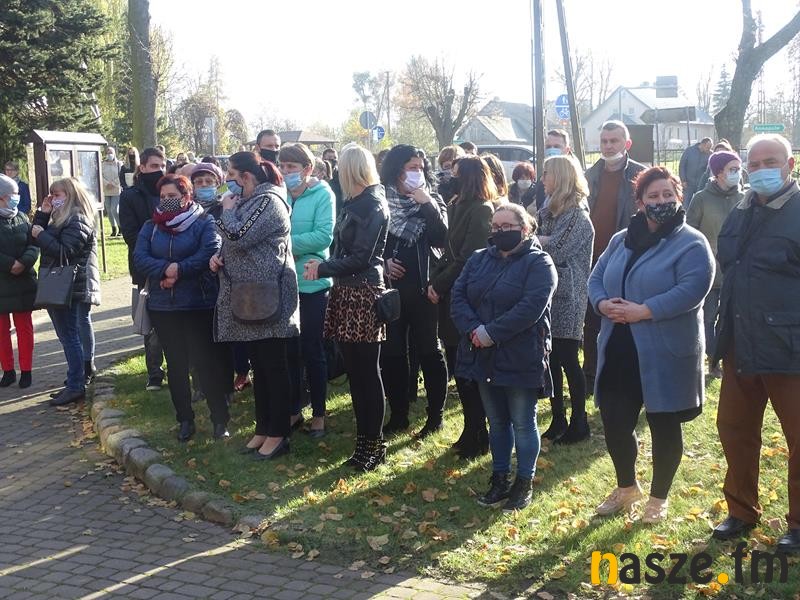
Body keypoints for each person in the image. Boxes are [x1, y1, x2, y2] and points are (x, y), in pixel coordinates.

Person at [588, 166, 713, 523]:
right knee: (614, 420)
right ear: (640, 202)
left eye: (668, 195)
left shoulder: (691, 242)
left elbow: (693, 288)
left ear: (679, 197)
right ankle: (627, 488)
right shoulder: (620, 239)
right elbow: (597, 278)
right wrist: (602, 303)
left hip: (665, 349)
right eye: (653, 196)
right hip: (620, 345)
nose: (661, 201)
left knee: (663, 423)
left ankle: (659, 498)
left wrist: (645, 310)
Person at [712, 134, 800, 553]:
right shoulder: (740, 211)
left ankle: (799, 524)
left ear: (789, 165)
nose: (762, 169)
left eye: (771, 161)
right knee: (734, 429)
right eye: (755, 163)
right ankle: (742, 510)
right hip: (740, 342)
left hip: (789, 348)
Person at [451, 203, 557, 511]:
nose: (499, 232)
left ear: (524, 229)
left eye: (506, 227)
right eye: (495, 227)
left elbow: (531, 307)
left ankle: (524, 483)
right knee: (497, 422)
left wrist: (491, 333)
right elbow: (458, 296)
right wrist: (474, 330)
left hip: (521, 354)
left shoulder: (540, 263)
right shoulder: (478, 259)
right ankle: (499, 478)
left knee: (523, 421)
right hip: (482, 352)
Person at [304, 145, 390, 471]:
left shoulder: (372, 203)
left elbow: (362, 257)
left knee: (367, 373)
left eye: (341, 167)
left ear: (350, 169)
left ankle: (374, 444)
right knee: (355, 373)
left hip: (363, 293)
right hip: (346, 291)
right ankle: (364, 443)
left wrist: (323, 268)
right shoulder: (355, 202)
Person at [209, 151, 299, 460]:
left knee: (273, 367)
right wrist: (218, 257)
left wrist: (225, 211)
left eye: (231, 176)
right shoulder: (247, 202)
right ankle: (263, 428)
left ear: (246, 177)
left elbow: (238, 234)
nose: (227, 182)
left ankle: (279, 434)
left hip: (269, 298)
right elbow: (231, 242)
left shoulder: (269, 201)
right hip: (248, 298)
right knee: (259, 367)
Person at [133, 174, 230, 441]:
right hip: (163, 307)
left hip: (198, 303)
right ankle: (185, 419)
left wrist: (179, 270)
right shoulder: (151, 226)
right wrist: (166, 269)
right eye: (163, 197)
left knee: (205, 362)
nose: (166, 201)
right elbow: (140, 258)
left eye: (172, 196)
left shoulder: (203, 221)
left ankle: (219, 419)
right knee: (176, 365)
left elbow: (209, 250)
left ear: (186, 197)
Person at [429, 155, 496, 459]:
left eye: (455, 174)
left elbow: (469, 256)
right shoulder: (456, 205)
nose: (449, 179)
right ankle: (471, 429)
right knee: (458, 364)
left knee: (469, 370)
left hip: (468, 296)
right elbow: (448, 251)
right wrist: (434, 282)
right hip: (450, 294)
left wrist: (440, 284)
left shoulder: (482, 209)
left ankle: (478, 432)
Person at [380, 145, 449, 438]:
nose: (417, 173)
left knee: (429, 351)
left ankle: (435, 416)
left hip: (424, 289)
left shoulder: (432, 198)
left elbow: (443, 237)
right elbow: (370, 243)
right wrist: (384, 262)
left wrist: (427, 204)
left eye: (421, 168)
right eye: (411, 167)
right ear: (397, 170)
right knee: (393, 353)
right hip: (392, 290)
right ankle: (399, 415)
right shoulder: (382, 199)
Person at [583, 120, 646, 391]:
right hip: (590, 258)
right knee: (591, 320)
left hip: (625, 256)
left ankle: (624, 376)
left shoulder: (640, 176)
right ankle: (590, 375)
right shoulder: (589, 175)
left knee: (622, 318)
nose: (608, 146)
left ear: (627, 143)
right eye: (604, 141)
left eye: (614, 141)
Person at [536, 156, 595, 444]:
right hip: (549, 293)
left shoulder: (576, 216)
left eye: (546, 173)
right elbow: (538, 241)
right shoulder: (548, 211)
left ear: (559, 177)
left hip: (570, 295)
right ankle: (558, 417)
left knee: (569, 358)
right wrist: (542, 240)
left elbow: (555, 249)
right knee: (552, 358)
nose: (542, 179)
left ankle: (579, 422)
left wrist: (542, 241)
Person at [279, 143, 335, 438]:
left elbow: (323, 235)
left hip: (313, 284)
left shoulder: (323, 194)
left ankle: (319, 414)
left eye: (292, 167)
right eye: (283, 166)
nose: (286, 171)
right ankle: (293, 409)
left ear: (307, 169)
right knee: (290, 352)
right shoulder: (281, 194)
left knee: (313, 350)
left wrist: (286, 245)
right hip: (285, 282)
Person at [32, 178, 102, 406]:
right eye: (51, 194)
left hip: (69, 286)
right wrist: (43, 215)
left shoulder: (78, 219)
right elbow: (33, 237)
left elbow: (65, 251)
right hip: (58, 285)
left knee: (70, 336)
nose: (53, 199)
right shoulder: (59, 218)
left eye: (57, 194)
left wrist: (41, 234)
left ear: (70, 195)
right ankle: (74, 379)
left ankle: (75, 385)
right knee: (66, 336)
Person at [685, 150, 742, 379]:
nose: (738, 173)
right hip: (709, 270)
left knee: (732, 317)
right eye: (732, 169)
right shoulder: (701, 198)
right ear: (718, 172)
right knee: (708, 317)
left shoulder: (745, 198)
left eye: (739, 169)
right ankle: (712, 359)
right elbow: (690, 231)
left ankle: (729, 358)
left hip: (736, 271)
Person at [120, 147, 167, 391]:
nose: (159, 170)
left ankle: (178, 366)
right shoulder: (130, 196)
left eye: (162, 166)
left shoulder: (170, 191)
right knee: (152, 321)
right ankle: (154, 372)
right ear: (142, 168)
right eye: (154, 166)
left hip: (174, 264)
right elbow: (130, 234)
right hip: (145, 267)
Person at [0, 175, 38, 388]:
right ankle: (7, 370)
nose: (17, 197)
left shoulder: (22, 217)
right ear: (2, 197)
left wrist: (23, 262)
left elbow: (34, 244)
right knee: (1, 331)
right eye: (13, 194)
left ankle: (26, 370)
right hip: (2, 282)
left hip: (23, 282)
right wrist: (9, 264)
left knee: (24, 328)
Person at [533, 129, 573, 210]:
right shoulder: (543, 179)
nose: (551, 150)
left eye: (557, 146)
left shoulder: (575, 179)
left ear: (567, 150)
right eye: (548, 147)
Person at [679, 137, 713, 205]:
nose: (709, 149)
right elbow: (682, 165)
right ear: (702, 144)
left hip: (701, 184)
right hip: (688, 183)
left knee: (699, 204)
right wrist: (683, 180)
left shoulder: (710, 154)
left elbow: (710, 170)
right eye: (708, 147)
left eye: (710, 148)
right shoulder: (689, 151)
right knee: (685, 204)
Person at [102, 148, 122, 237]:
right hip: (106, 189)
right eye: (108, 152)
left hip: (116, 189)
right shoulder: (103, 164)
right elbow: (100, 175)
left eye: (111, 152)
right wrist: (106, 183)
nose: (109, 154)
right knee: (109, 210)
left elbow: (120, 175)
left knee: (114, 209)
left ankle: (120, 227)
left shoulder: (118, 164)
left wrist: (113, 183)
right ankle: (113, 228)